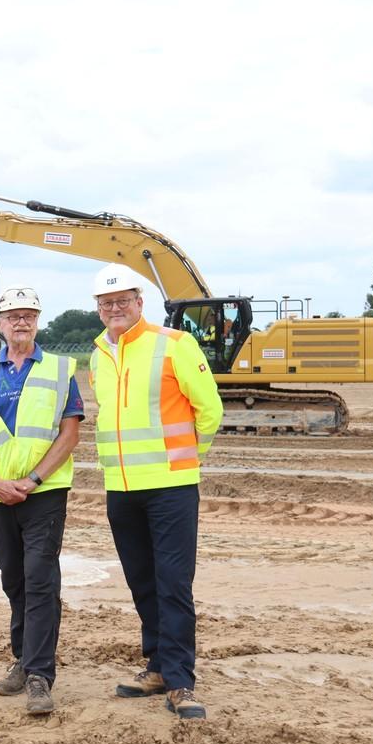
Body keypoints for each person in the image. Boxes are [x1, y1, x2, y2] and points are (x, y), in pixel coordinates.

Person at [89, 264, 223, 720]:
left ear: (139, 302)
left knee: (173, 583)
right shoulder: (98, 355)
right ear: (98, 310)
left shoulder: (175, 345)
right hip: (122, 488)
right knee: (142, 581)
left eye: (123, 301)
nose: (115, 309)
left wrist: (186, 460)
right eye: (106, 304)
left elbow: (210, 411)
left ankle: (182, 680)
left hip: (171, 487)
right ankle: (158, 665)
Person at [0, 285, 84, 716]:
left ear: (38, 320)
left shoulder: (58, 369)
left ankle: (38, 675)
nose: (20, 321)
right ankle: (22, 657)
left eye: (28, 314)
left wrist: (32, 479)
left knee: (39, 580)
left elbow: (70, 433)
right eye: (12, 315)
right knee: (14, 580)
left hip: (43, 494)